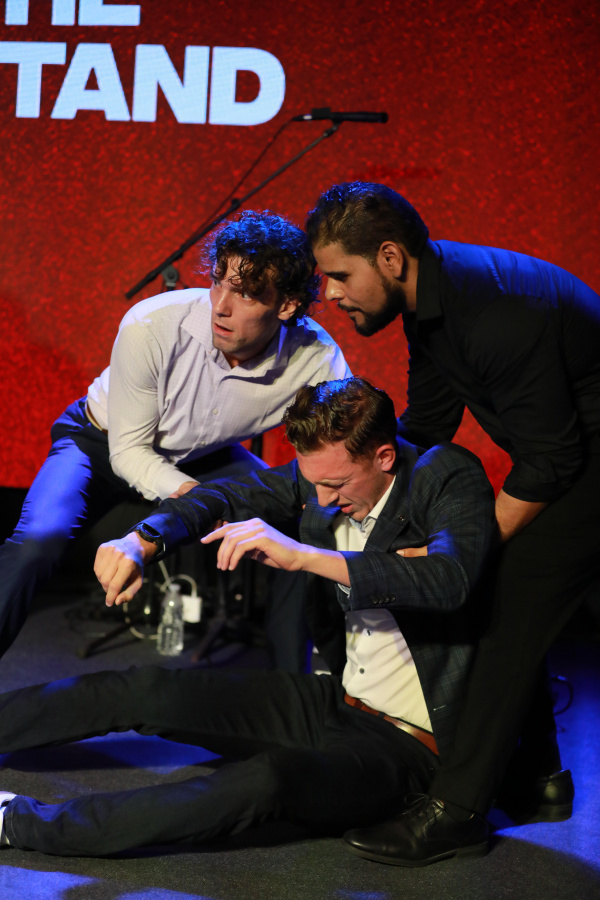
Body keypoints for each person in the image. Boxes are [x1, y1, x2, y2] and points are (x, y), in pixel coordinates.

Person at [0, 378, 496, 858]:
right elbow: (225, 496)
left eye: (336, 483)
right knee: (148, 689)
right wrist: (143, 539)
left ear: (384, 456)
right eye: (315, 484)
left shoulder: (443, 475)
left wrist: (303, 556)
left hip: (408, 747)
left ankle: (18, 823)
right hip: (336, 700)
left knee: (263, 782)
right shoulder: (320, 479)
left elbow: (450, 579)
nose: (323, 499)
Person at [305, 182, 600, 865]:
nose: (331, 294)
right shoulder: (431, 305)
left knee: (498, 612)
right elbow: (429, 425)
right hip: (564, 458)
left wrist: (461, 552)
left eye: (340, 276)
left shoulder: (495, 311)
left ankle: (457, 809)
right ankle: (540, 779)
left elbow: (554, 459)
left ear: (390, 258)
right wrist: (360, 480)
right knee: (495, 600)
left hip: (583, 468)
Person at [0, 210, 350, 670]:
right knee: (36, 544)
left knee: (299, 527)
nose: (221, 305)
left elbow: (342, 447)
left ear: (287, 305)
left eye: (245, 293)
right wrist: (200, 503)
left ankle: (298, 691)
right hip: (99, 442)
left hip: (205, 457)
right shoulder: (153, 324)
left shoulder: (316, 360)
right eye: (218, 281)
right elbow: (130, 452)